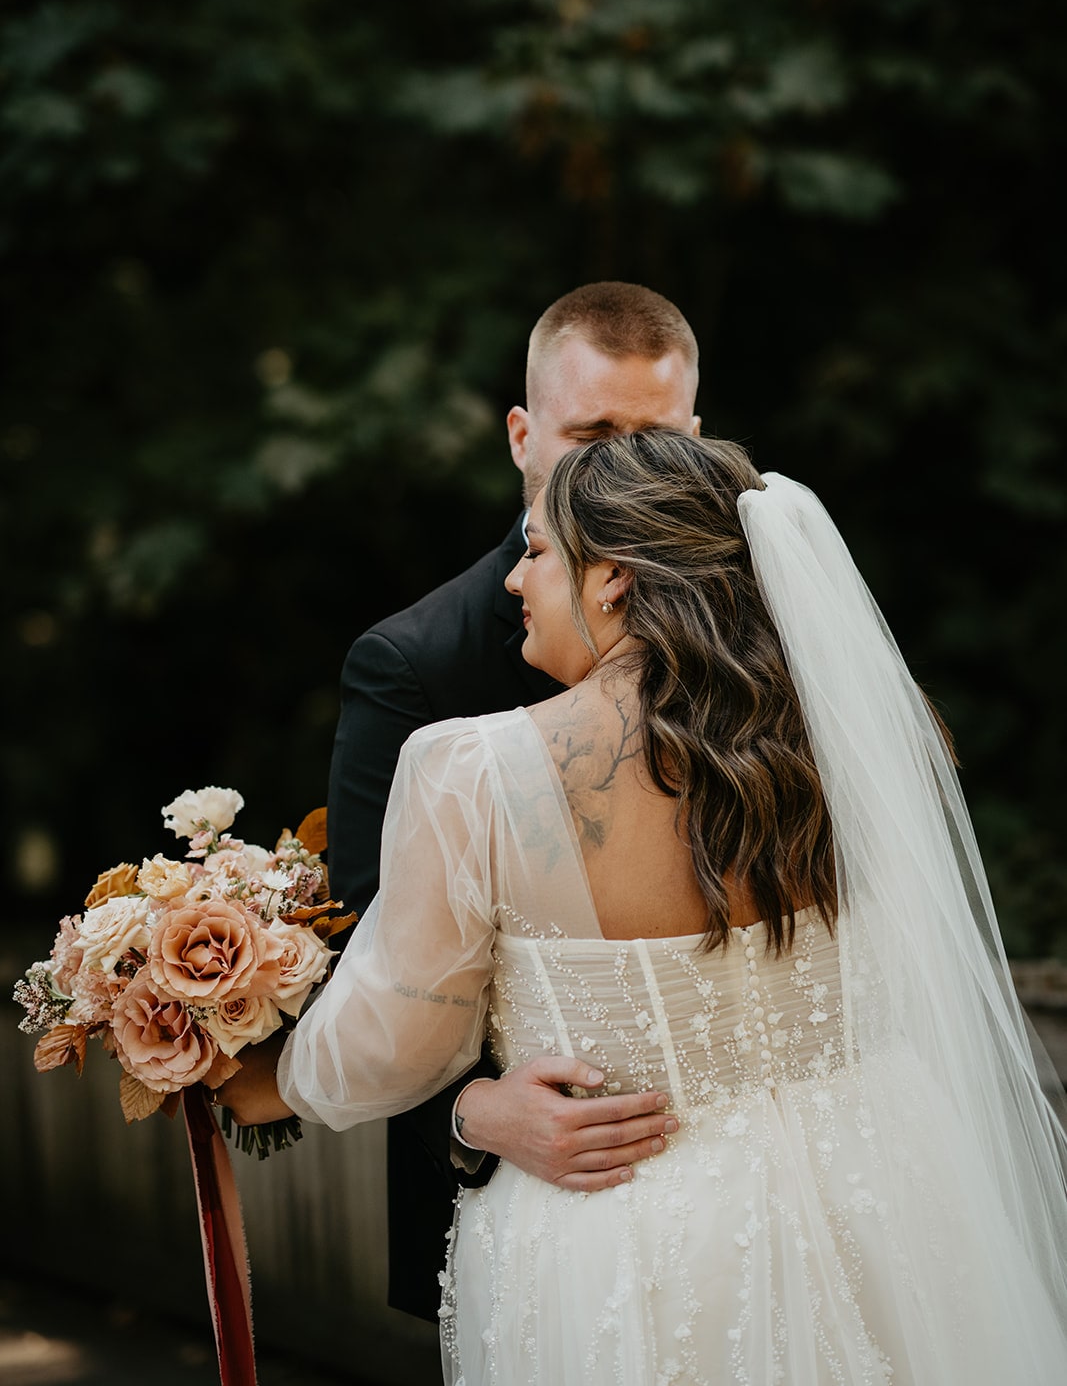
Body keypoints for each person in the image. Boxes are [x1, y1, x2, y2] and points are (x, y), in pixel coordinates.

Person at [223, 430, 1067, 1385]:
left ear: (612, 579)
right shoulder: (860, 740)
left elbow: (393, 1040)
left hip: (636, 1244)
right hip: (890, 1201)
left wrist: (261, 1064)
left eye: (538, 554)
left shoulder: (471, 772)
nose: (514, 583)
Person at [323, 281, 702, 1320]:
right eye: (592, 436)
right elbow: (360, 956)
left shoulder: (783, 652)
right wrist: (473, 1114)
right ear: (522, 437)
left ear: (701, 445)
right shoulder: (416, 663)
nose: (623, 472)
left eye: (656, 439)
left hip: (756, 1184)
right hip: (525, 1218)